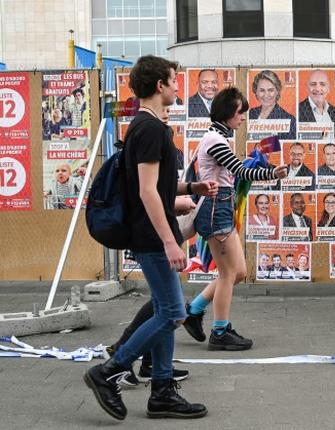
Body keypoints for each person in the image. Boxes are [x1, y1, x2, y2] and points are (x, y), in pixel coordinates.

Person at [84, 55, 217, 421]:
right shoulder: (151, 129)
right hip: (153, 237)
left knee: (163, 310)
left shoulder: (144, 127)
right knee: (174, 313)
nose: (177, 87)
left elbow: (156, 185)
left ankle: (161, 391)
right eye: (173, 81)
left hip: (152, 234)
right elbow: (146, 193)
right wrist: (170, 242)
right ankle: (109, 371)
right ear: (159, 86)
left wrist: (192, 186)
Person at [183, 87, 289, 352]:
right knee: (229, 273)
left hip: (220, 209)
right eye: (241, 112)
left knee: (238, 272)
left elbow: (236, 170)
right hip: (215, 211)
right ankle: (219, 332)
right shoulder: (216, 141)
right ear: (229, 113)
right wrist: (272, 173)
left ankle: (194, 312)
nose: (243, 118)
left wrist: (268, 170)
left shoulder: (217, 137)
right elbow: (240, 170)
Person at [248, 70, 296, 140]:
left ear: (277, 91)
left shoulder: (290, 120)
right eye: (262, 90)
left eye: (270, 90)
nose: (266, 95)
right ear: (256, 92)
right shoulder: (251, 113)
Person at [297, 69, 335, 139]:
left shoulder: (333, 110)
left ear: (328, 88)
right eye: (313, 84)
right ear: (307, 88)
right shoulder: (298, 110)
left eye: (322, 84)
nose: (317, 89)